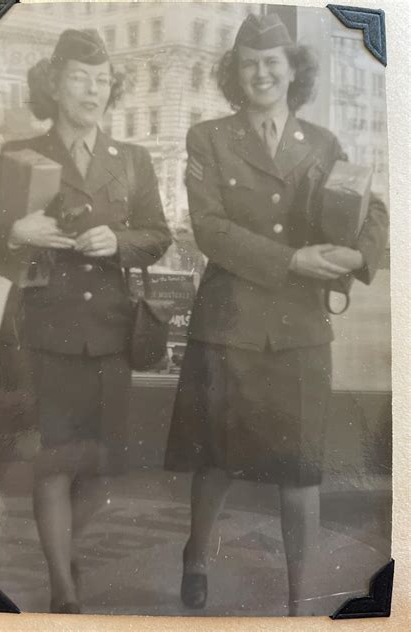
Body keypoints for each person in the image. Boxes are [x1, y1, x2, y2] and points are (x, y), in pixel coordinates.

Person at [164, 14, 388, 615]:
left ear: (293, 71)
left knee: (302, 471)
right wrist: (294, 259)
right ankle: (196, 554)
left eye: (272, 63)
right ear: (235, 75)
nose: (261, 73)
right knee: (216, 461)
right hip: (229, 327)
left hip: (301, 330)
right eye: (248, 64)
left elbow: (372, 208)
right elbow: (209, 228)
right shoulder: (207, 137)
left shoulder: (321, 144)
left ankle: (297, 605)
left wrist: (357, 253)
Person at [0, 29, 171, 614]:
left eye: (102, 80)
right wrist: (15, 232)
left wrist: (121, 240)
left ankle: (65, 552)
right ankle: (64, 591)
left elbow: (159, 235)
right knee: (53, 463)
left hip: (109, 334)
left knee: (99, 468)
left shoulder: (132, 160)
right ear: (54, 85)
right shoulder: (20, 155)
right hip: (42, 332)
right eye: (80, 77)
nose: (92, 90)